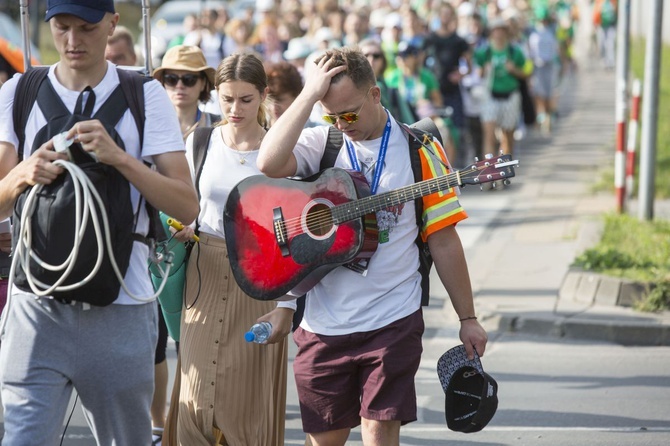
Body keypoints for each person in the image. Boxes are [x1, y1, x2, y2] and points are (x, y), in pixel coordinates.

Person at [257, 46, 488, 446]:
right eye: (332, 115)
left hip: (392, 318)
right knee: (325, 439)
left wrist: (467, 316)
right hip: (322, 324)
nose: (342, 124)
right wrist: (309, 95)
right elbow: (268, 163)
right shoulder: (322, 143)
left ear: (376, 95)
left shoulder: (421, 150)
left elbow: (445, 239)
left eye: (349, 113)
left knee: (379, 434)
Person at [0, 1, 198, 445]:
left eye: (86, 28)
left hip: (121, 310)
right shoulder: (20, 91)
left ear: (112, 24)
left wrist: (121, 159)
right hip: (36, 307)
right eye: (62, 27)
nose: (72, 41)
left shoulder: (142, 94)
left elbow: (187, 206)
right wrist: (22, 174)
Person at [163, 52, 295, 446]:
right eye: (226, 99)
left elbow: (292, 235)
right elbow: (184, 204)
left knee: (245, 398)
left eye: (245, 99)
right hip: (203, 272)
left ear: (263, 95)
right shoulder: (200, 141)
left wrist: (287, 303)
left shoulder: (281, 152)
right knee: (194, 389)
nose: (235, 109)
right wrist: (181, 227)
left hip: (260, 280)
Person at [473, 18, 527, 158]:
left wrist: (513, 70)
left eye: (501, 30)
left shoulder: (515, 51)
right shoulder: (484, 52)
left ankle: (503, 170)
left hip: (510, 95)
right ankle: (489, 171)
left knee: (507, 136)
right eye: (495, 30)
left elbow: (526, 73)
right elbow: (479, 74)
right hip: (491, 95)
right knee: (489, 136)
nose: (498, 34)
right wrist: (484, 70)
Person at [153, 45, 220, 139]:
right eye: (171, 79)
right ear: (163, 83)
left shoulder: (219, 127)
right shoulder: (150, 125)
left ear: (203, 83)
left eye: (189, 79)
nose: (179, 86)